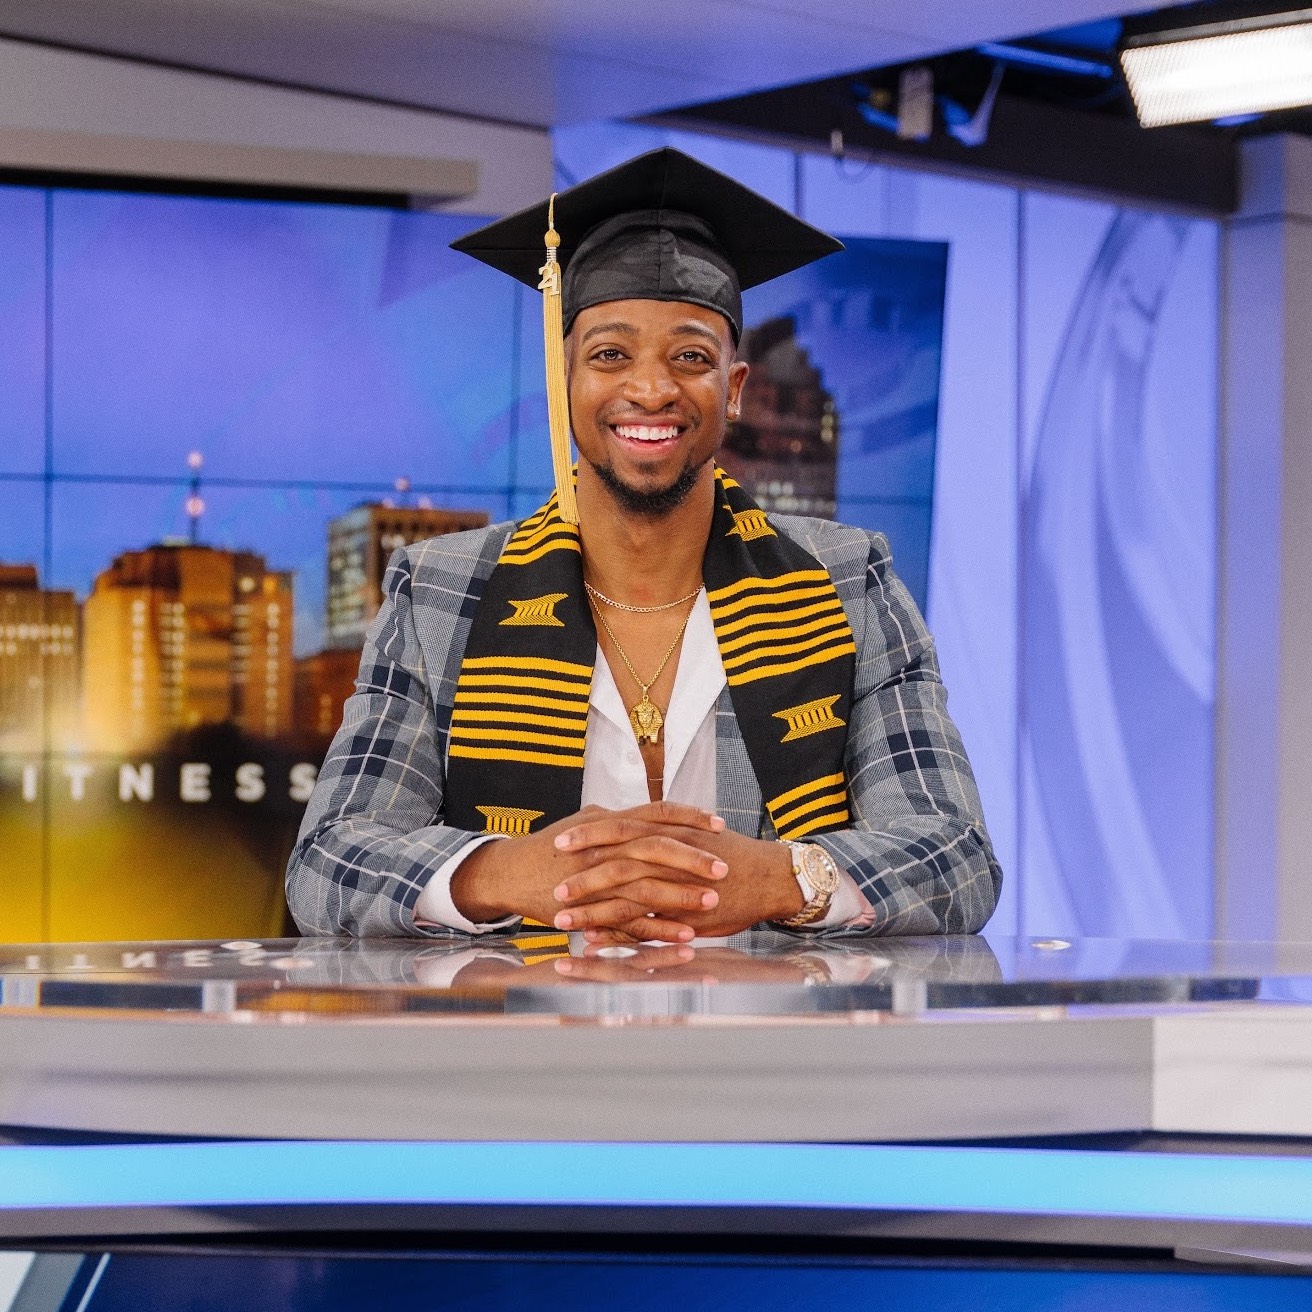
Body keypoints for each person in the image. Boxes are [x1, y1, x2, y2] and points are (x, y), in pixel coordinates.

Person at [286, 147, 1001, 943]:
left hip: (774, 1051)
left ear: (732, 390)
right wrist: (508, 872)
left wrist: (778, 878)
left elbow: (957, 858)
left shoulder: (848, 584)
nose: (651, 389)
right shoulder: (440, 591)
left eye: (690, 357)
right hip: (519, 1048)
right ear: (566, 381)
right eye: (610, 355)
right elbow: (327, 860)